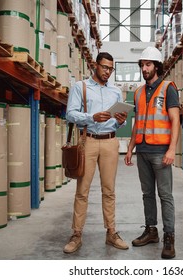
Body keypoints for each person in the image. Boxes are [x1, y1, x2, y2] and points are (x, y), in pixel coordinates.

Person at [64, 52, 129, 254]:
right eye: (104, 67)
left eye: (111, 68)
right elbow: (70, 114)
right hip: (89, 141)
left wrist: (120, 120)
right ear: (95, 65)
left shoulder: (116, 92)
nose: (107, 72)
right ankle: (76, 234)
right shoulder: (80, 87)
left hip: (110, 142)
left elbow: (122, 122)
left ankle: (111, 232)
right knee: (82, 191)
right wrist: (92, 117)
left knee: (109, 191)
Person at [124, 46, 180, 259]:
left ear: (156, 66)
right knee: (147, 194)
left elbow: (175, 120)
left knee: (165, 195)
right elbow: (137, 123)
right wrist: (130, 148)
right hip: (143, 151)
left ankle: (169, 237)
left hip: (161, 152)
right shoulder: (138, 92)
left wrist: (172, 149)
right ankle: (151, 231)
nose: (144, 68)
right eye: (142, 65)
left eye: (148, 65)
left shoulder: (168, 88)